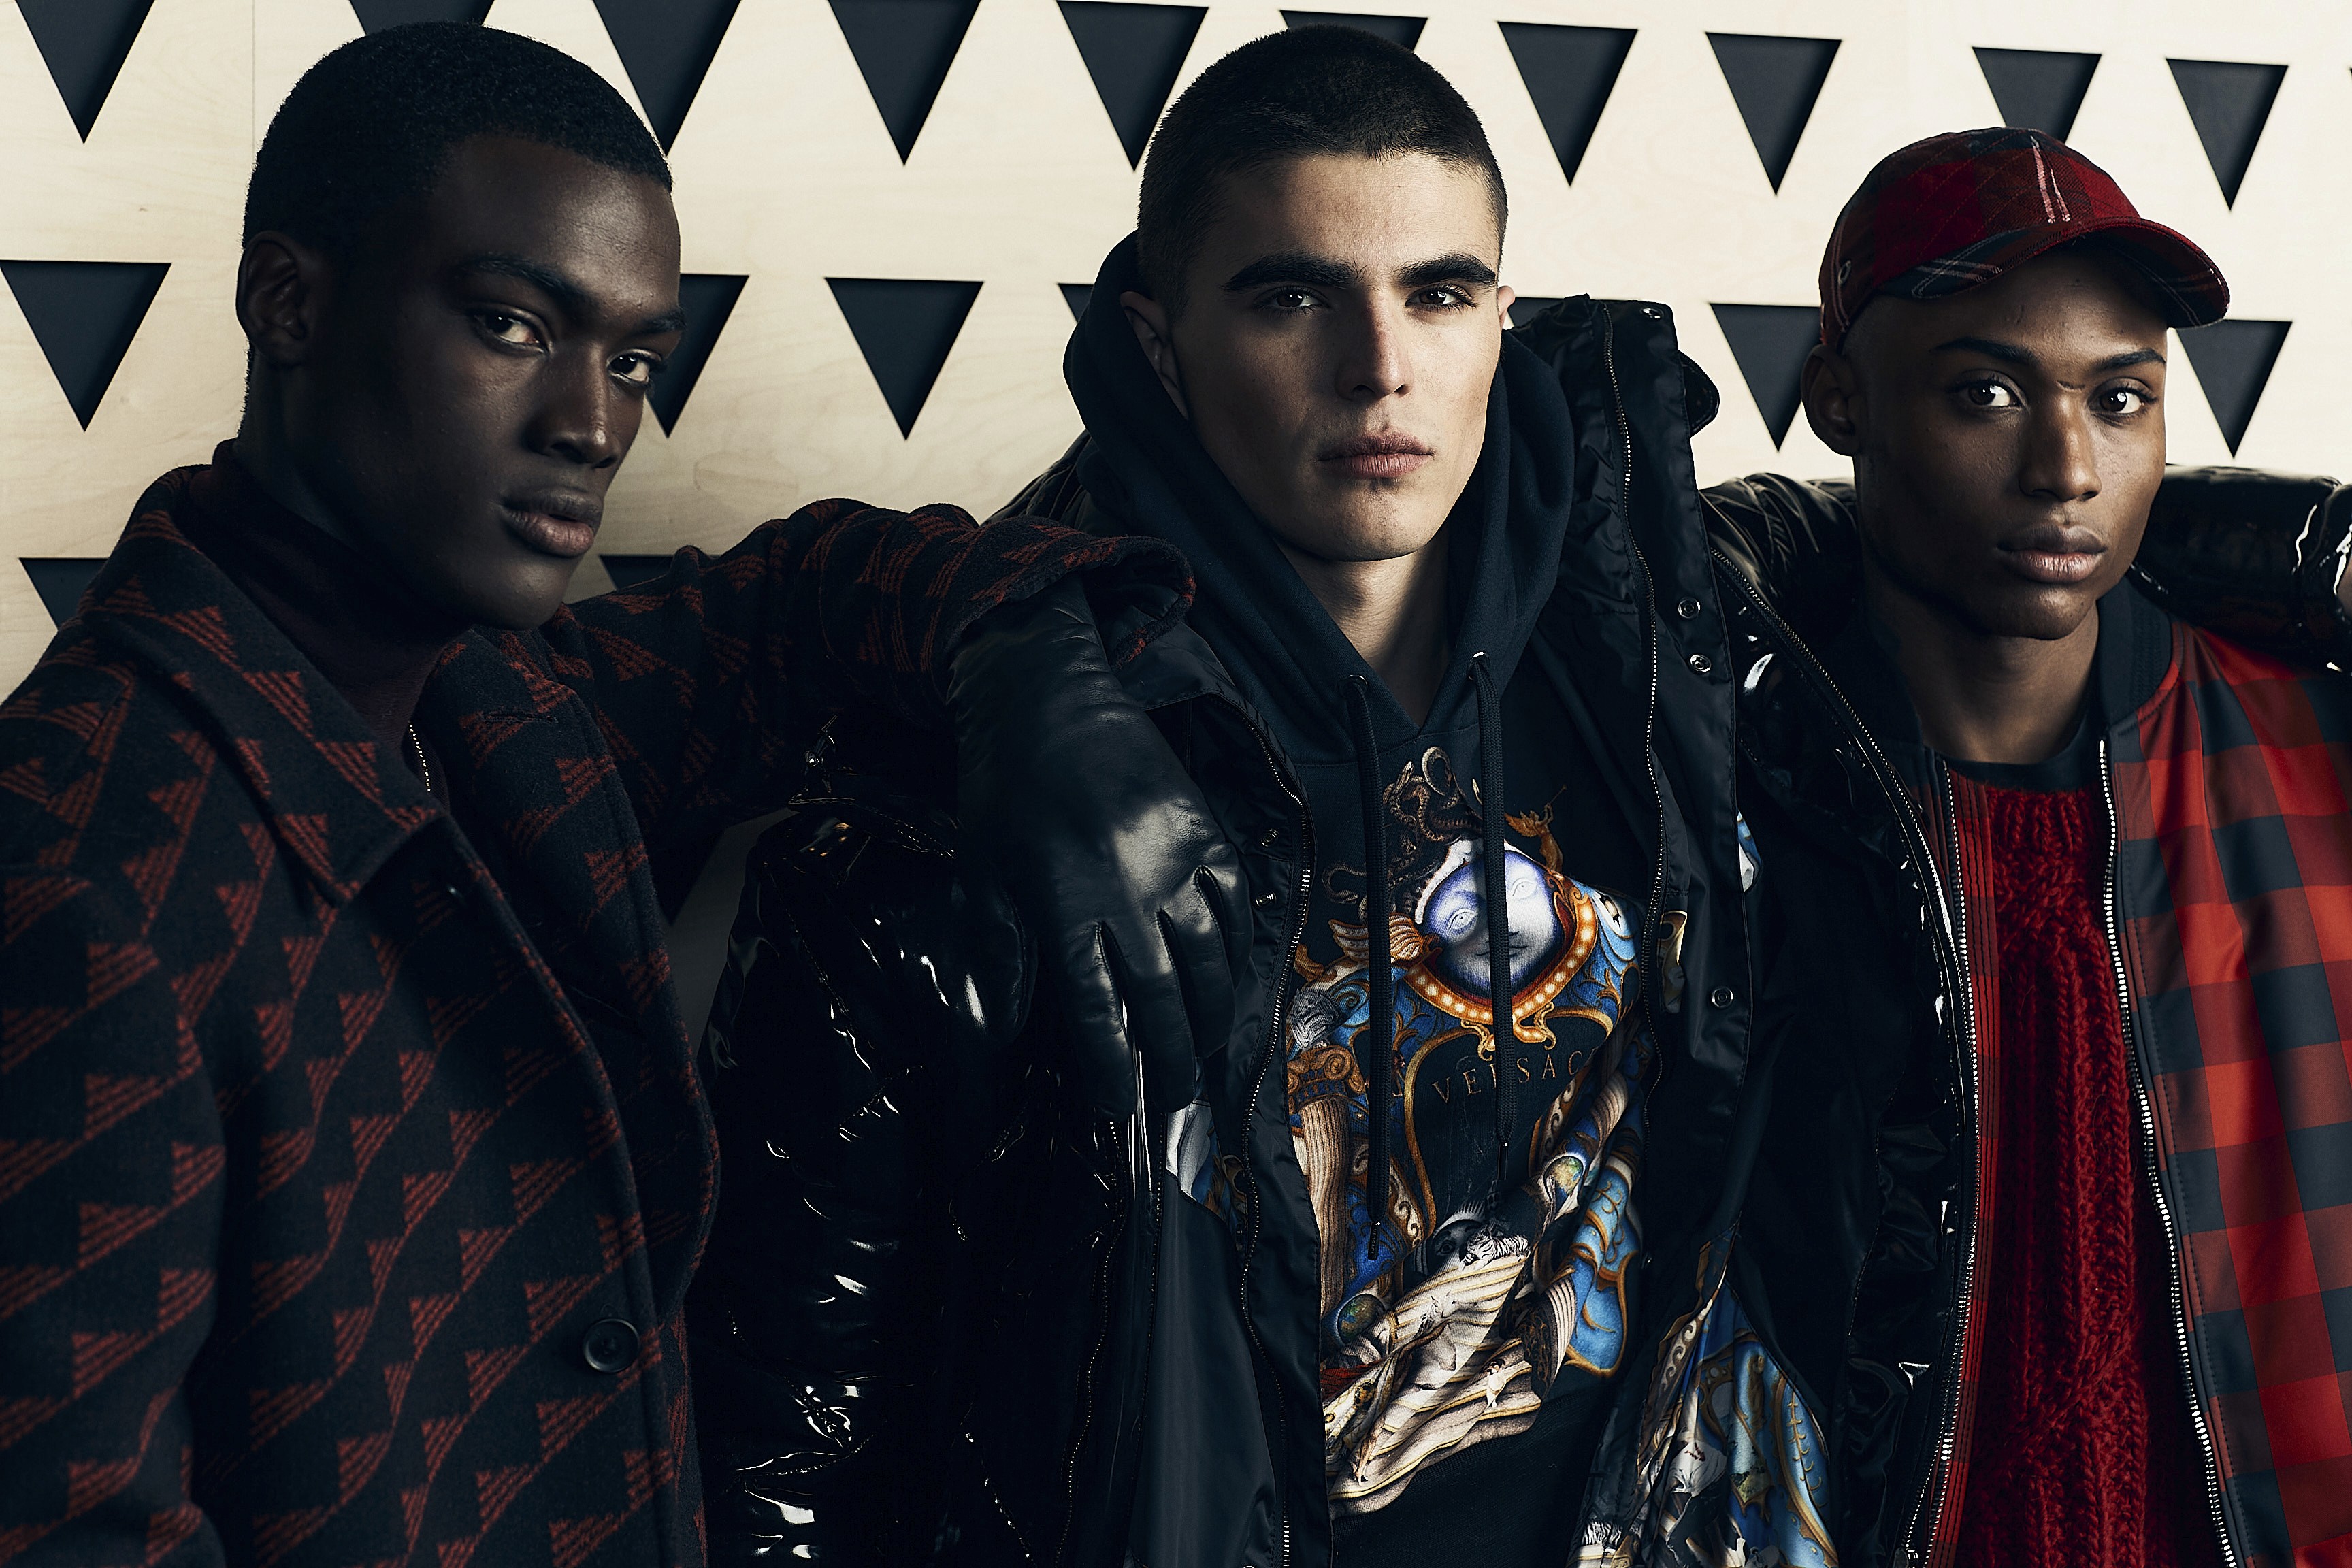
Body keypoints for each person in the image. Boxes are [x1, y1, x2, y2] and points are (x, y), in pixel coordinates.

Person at [685, 37, 2351, 1568]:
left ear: (1501, 313)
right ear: (1153, 336)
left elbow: (2016, 531)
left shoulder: (1669, 657)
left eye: (1439, 292)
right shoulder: (961, 787)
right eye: (1290, 296)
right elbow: (790, 1425)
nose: (1380, 371)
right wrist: (999, 648)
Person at [0, 23, 1242, 1566]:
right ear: (290, 303)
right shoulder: (85, 872)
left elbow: (807, 600)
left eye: (635, 359)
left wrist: (1032, 674)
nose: (593, 424)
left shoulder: (501, 716)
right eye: (513, 325)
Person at [1695, 128, 2352, 1568]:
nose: (2066, 469)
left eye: (2121, 400)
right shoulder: (1728, 791)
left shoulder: (2314, 754)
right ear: (1840, 400)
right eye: (1984, 393)